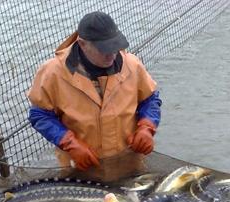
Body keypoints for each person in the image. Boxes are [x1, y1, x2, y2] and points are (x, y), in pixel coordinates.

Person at [27, 11, 161, 170]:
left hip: (128, 159)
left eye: (115, 46)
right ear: (83, 44)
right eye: (104, 49)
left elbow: (150, 99)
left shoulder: (132, 65)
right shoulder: (52, 72)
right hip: (80, 166)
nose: (111, 54)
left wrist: (146, 127)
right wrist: (69, 143)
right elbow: (40, 115)